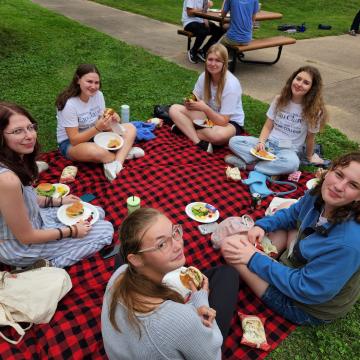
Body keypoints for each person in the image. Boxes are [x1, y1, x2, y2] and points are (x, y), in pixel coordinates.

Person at [221, 151, 360, 325]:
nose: (339, 186)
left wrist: (253, 258)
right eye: (339, 174)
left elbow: (306, 289)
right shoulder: (319, 195)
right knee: (285, 209)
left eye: (353, 185)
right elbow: (293, 214)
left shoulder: (348, 243)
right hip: (304, 268)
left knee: (229, 245)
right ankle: (265, 260)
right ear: (329, 171)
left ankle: (259, 261)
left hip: (307, 305)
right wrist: (262, 226)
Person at [101, 208, 239, 359]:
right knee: (227, 274)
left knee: (121, 258)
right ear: (136, 259)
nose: (178, 245)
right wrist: (201, 304)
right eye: (161, 244)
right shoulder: (181, 320)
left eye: (174, 232)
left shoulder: (119, 274)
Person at [0, 102, 114, 268]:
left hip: (37, 219)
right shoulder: (7, 180)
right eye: (18, 131)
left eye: (30, 127)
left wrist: (57, 201)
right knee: (106, 230)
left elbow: (25, 199)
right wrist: (72, 231)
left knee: (97, 212)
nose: (30, 135)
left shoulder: (15, 159)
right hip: (21, 246)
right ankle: (48, 266)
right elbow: (26, 237)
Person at [226, 65, 329, 175]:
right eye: (298, 79)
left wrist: (309, 157)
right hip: (268, 144)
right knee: (234, 141)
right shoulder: (279, 99)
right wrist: (261, 143)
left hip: (288, 150)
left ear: (312, 88)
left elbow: (310, 137)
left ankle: (250, 166)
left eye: (306, 82)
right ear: (292, 79)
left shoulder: (315, 111)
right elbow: (267, 126)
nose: (299, 84)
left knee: (292, 164)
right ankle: (269, 165)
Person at [55, 64, 144, 182]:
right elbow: (74, 140)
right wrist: (97, 128)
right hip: (71, 144)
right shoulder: (69, 105)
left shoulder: (98, 95)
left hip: (95, 135)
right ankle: (123, 154)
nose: (93, 86)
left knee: (130, 128)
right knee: (96, 152)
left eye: (96, 83)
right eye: (89, 81)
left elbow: (102, 117)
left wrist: (112, 119)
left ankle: (115, 163)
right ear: (78, 80)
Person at [169, 43, 245, 153]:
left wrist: (204, 108)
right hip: (209, 118)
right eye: (210, 59)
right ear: (206, 60)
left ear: (224, 63)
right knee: (174, 109)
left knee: (217, 136)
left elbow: (223, 122)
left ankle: (185, 128)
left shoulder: (231, 85)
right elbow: (194, 96)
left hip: (229, 123)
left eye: (218, 60)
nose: (213, 64)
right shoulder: (204, 76)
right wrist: (189, 102)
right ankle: (198, 142)